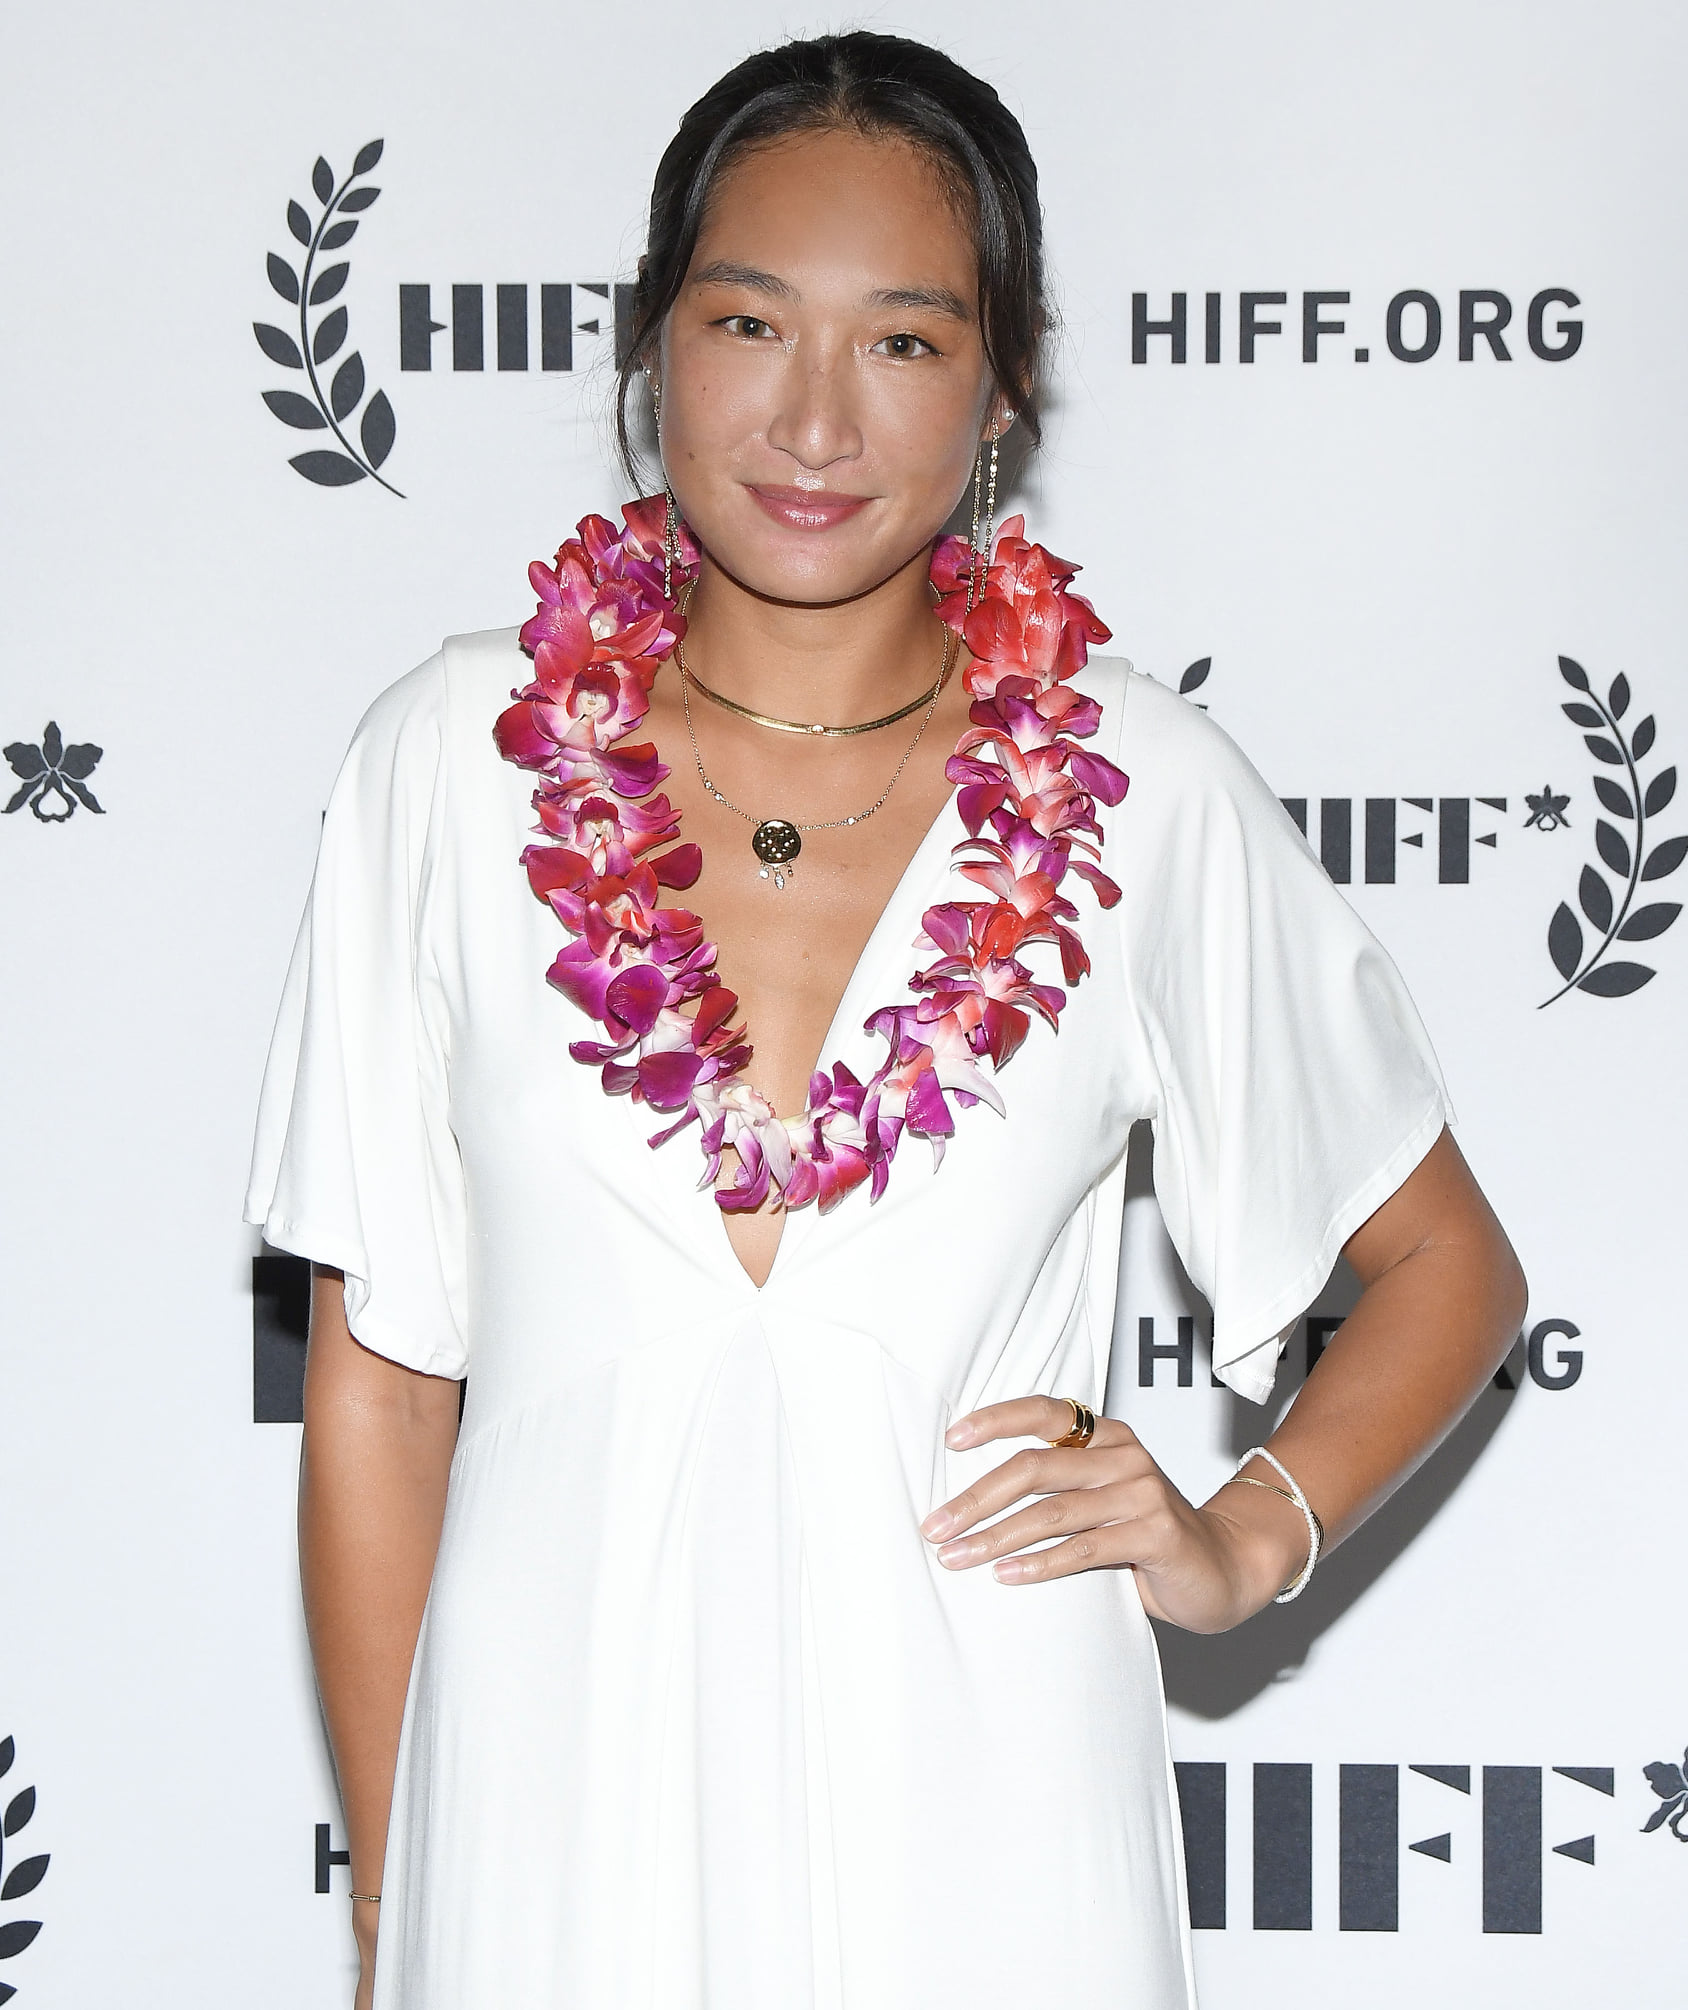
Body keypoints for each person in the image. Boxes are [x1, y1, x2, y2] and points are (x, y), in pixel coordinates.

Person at [245, 30, 1525, 2010]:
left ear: (1003, 389)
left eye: (905, 342)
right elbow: (383, 1389)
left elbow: (1447, 1263)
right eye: (750, 321)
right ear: (653, 343)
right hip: (547, 1821)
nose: (815, 418)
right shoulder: (449, 760)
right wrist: (395, 1904)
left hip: (989, 1828)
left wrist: (1244, 1533)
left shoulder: (1142, 793)